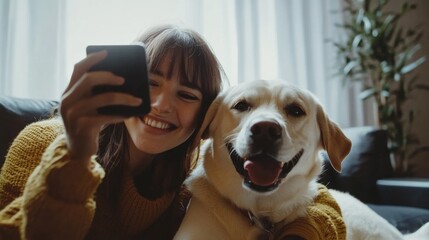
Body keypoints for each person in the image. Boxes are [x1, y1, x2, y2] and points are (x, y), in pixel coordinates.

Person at [0, 24, 345, 240]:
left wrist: (303, 233)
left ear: (207, 119)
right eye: (150, 84)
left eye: (187, 95)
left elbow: (319, 200)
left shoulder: (193, 171)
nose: (163, 105)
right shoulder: (42, 141)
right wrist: (76, 154)